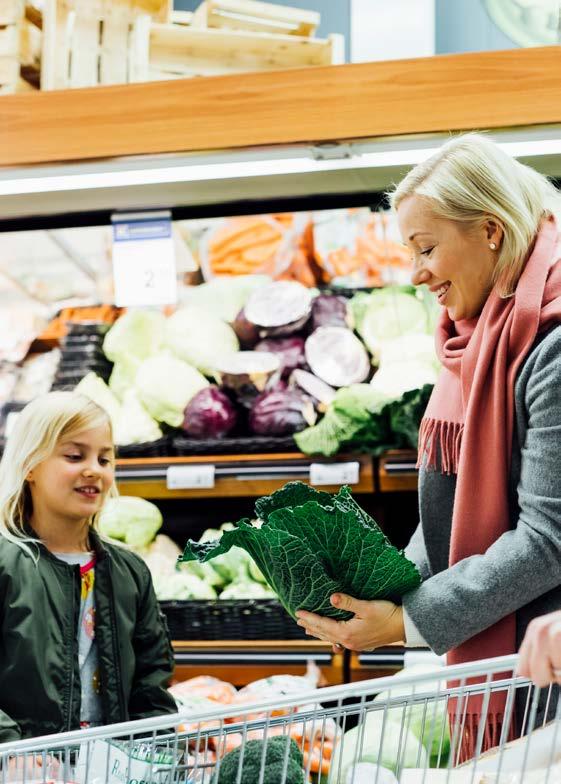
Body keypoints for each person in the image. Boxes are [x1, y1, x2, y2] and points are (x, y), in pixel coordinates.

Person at [296, 133, 561, 754]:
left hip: (546, 667)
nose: (416, 274)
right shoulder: (475, 337)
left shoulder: (550, 347)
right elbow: (451, 506)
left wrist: (408, 621)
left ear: (491, 231)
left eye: (427, 248)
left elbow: (549, 538)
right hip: (503, 659)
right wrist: (384, 588)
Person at [0, 391, 177, 747]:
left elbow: (151, 679)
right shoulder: (7, 564)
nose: (94, 469)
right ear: (30, 465)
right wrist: (9, 747)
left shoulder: (129, 572)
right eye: (74, 455)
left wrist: (154, 751)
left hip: (106, 767)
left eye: (105, 459)